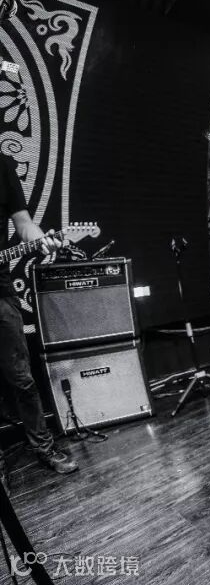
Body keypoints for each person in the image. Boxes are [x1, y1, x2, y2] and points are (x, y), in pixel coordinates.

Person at [0, 155, 78, 482]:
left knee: (21, 377)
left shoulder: (2, 165)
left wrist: (40, 238)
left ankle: (44, 448)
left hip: (0, 290)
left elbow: (23, 223)